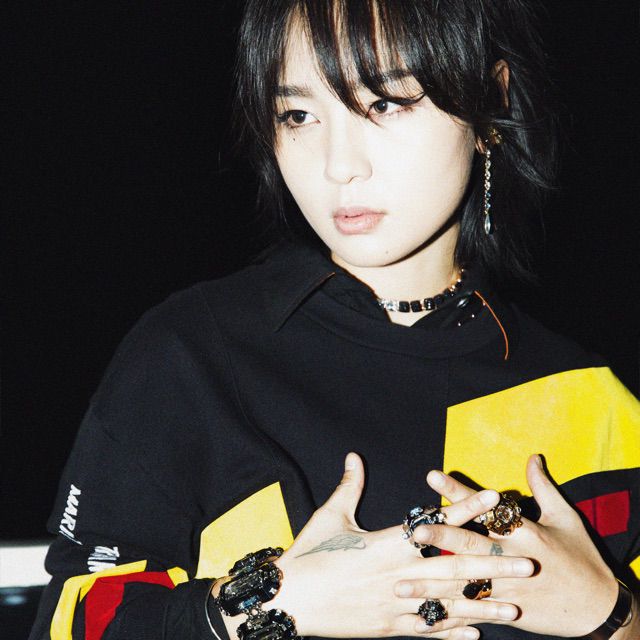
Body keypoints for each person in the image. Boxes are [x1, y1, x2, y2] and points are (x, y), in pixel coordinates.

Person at [30, 1, 640, 639]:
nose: (339, 165)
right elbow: (74, 618)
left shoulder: (587, 397)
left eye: (386, 103)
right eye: (298, 115)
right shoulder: (190, 356)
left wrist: (613, 615)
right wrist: (266, 606)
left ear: (490, 104)